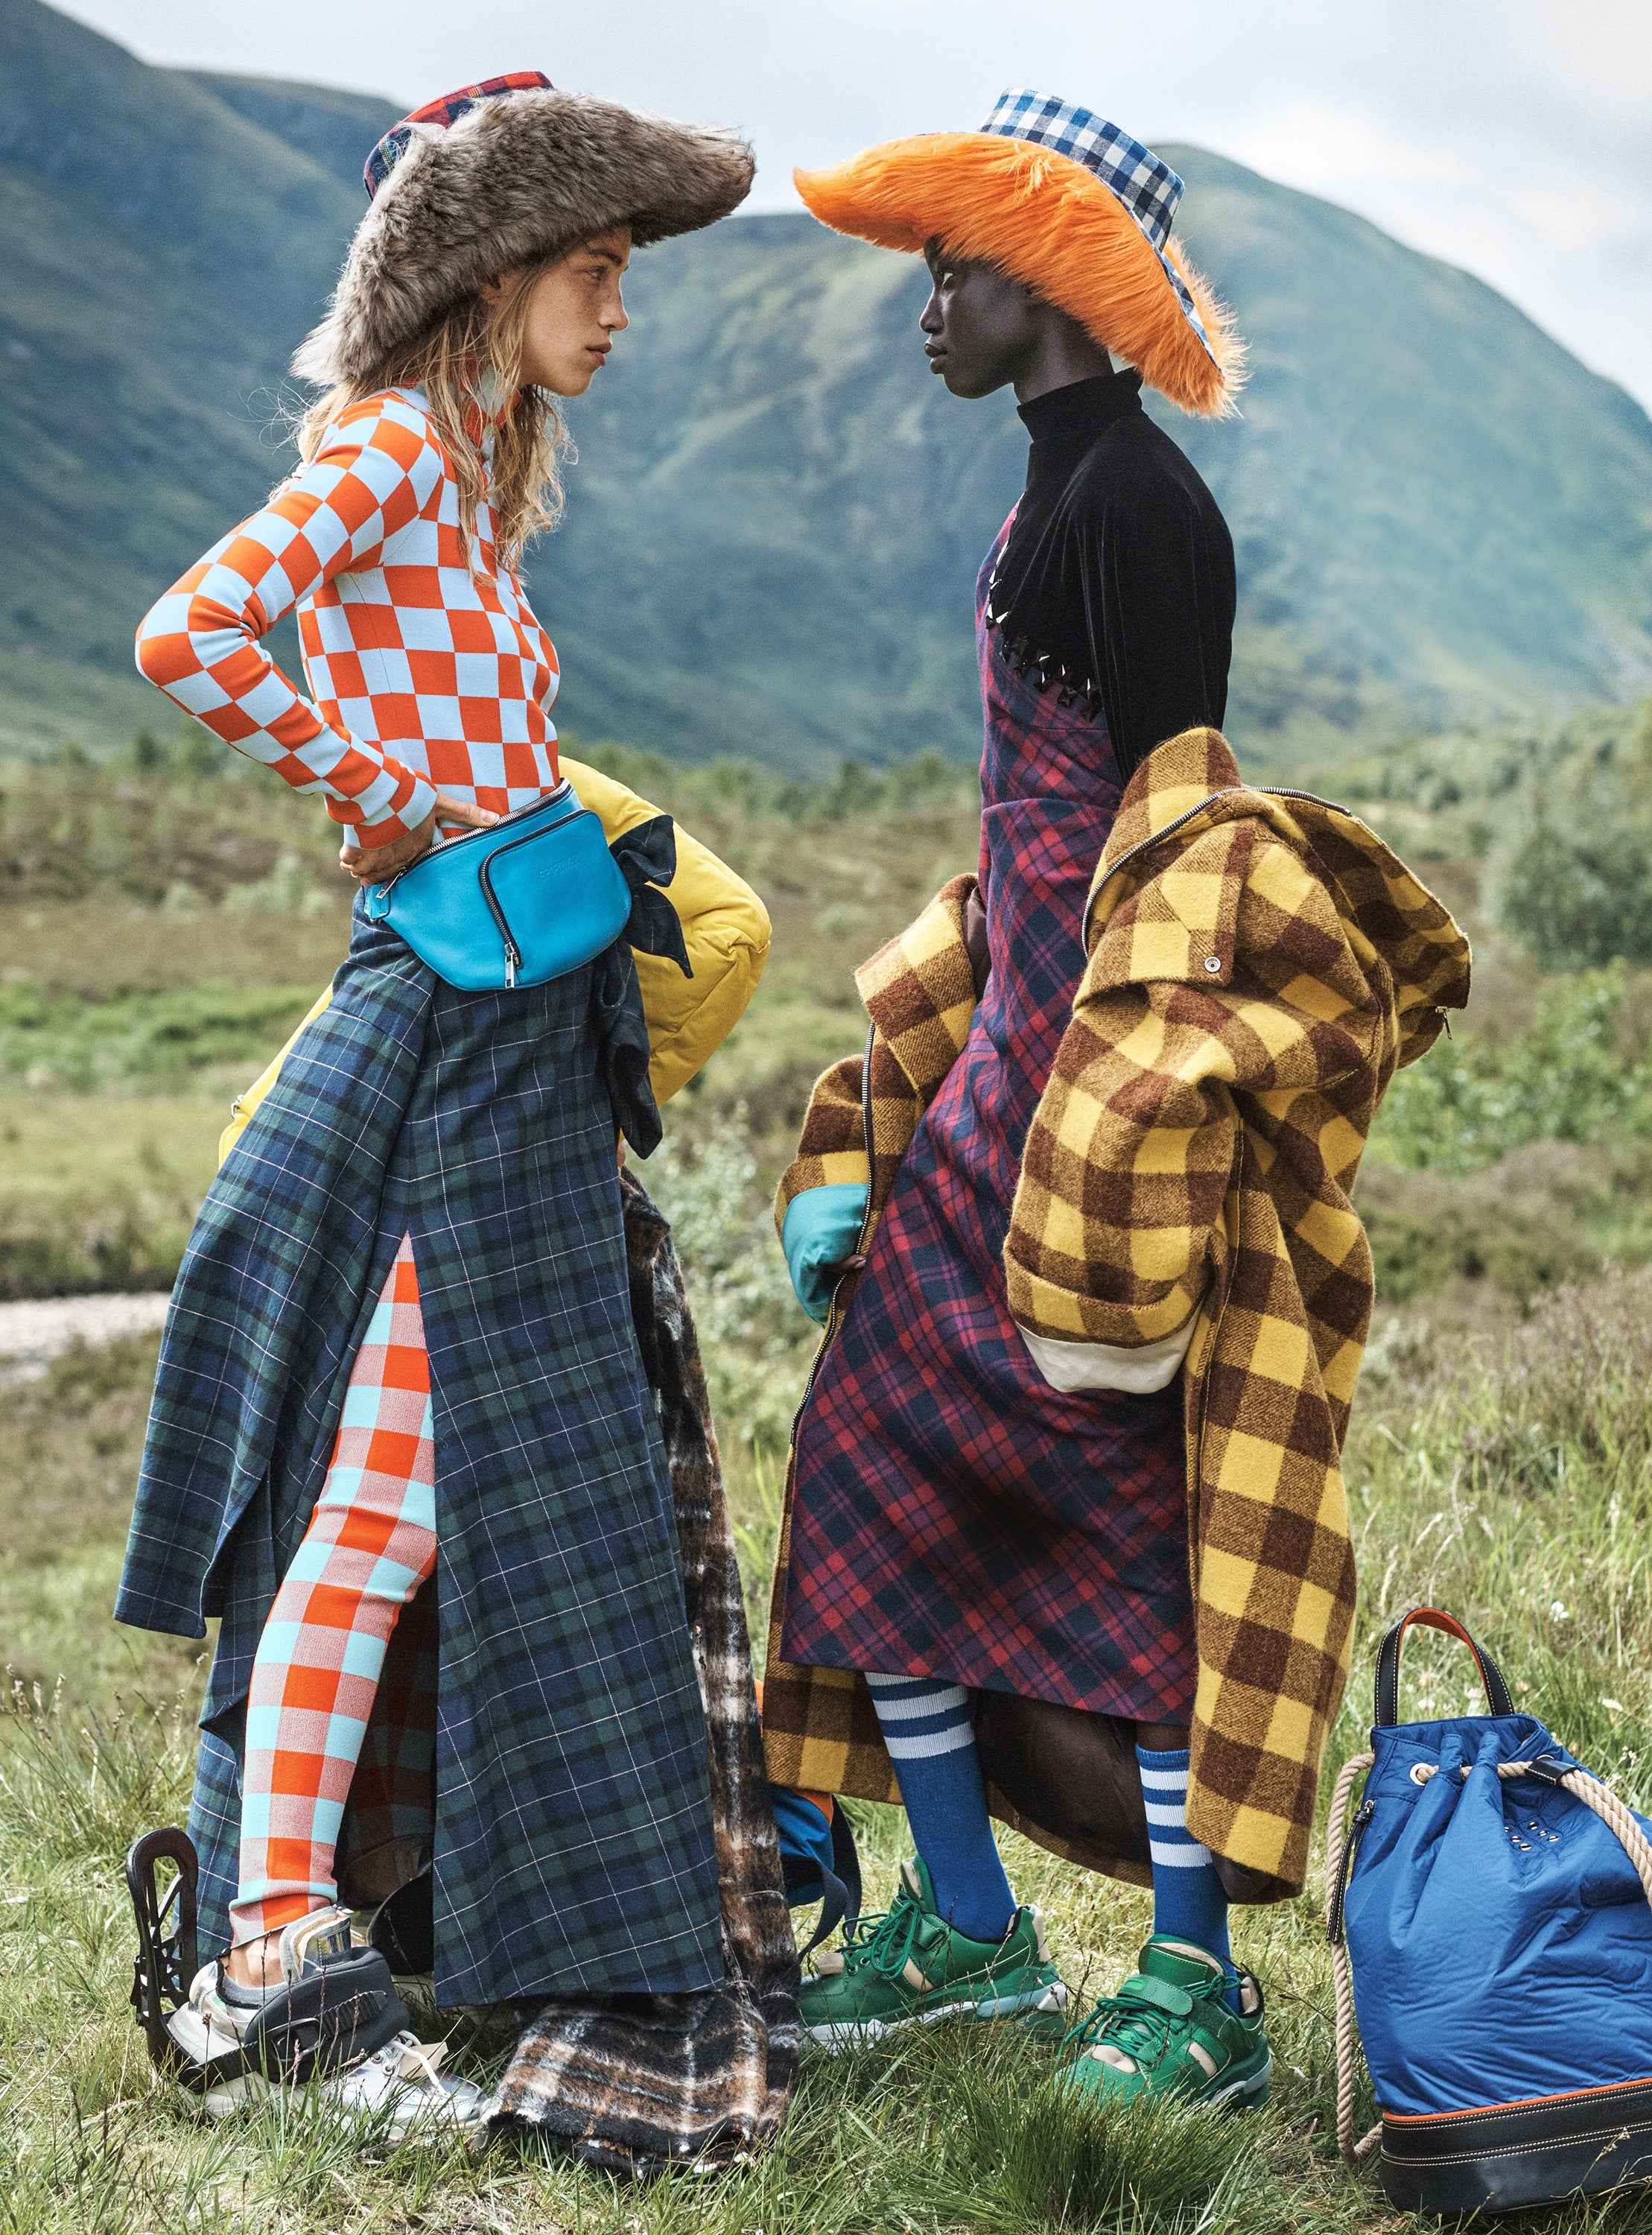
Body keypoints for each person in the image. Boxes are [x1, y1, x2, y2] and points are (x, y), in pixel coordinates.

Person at [760, 91, 1468, 2105]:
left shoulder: (1139, 511)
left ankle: (1190, 1989)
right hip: (1006, 1075)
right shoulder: (1047, 494)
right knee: (870, 1472)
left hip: (1095, 1108)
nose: (926, 305)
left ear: (1047, 277)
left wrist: (1122, 1123)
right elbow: (1028, 831)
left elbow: (1175, 849)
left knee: (1116, 1532)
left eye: (955, 266)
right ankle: (970, 1930)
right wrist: (919, 1087)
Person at [118, 72, 761, 2131]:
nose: (621, 307)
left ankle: (283, 1940)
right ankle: (261, 1955)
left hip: (506, 1021)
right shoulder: (393, 444)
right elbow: (188, 630)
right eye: (596, 268)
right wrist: (364, 780)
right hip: (451, 1012)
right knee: (379, 1509)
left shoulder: (464, 485)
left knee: (395, 1503)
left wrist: (415, 778)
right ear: (490, 274)